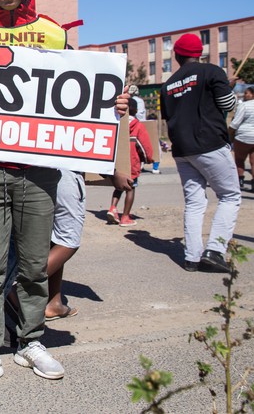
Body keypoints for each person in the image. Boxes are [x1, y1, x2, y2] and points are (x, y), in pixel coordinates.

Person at [0, 0, 129, 390]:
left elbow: (80, 92)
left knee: (31, 265)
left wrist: (111, 105)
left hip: (40, 170)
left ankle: (30, 341)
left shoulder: (52, 32)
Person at [160, 33, 240, 273]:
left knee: (194, 203)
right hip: (209, 144)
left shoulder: (167, 85)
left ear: (176, 56)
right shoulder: (212, 71)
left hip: (182, 150)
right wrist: (228, 86)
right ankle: (215, 251)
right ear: (200, 53)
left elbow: (168, 118)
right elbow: (228, 105)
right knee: (230, 196)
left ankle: (192, 257)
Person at [106, 98, 154, 227]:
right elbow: (145, 146)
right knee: (130, 189)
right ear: (135, 110)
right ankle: (125, 216)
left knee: (118, 186)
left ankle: (113, 209)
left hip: (118, 162)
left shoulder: (119, 123)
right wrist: (149, 158)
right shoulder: (137, 125)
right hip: (132, 163)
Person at [231, 87, 254, 191]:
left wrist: (229, 134)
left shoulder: (243, 105)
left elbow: (235, 123)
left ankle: (240, 180)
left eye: (247, 93)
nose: (245, 95)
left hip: (243, 137)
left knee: (239, 159)